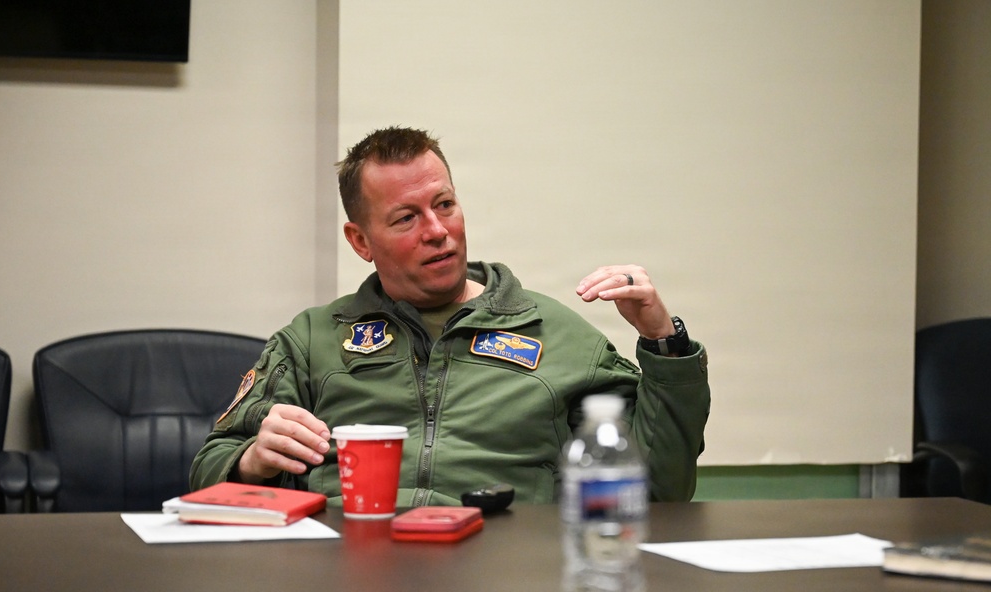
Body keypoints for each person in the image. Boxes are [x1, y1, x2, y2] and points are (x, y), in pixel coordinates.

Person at [190, 126, 710, 506]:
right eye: (406, 218)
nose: (437, 230)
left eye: (445, 205)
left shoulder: (559, 336)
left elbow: (661, 490)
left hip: (505, 572)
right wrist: (252, 461)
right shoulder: (312, 340)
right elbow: (206, 474)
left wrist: (663, 341)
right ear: (361, 241)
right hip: (346, 564)